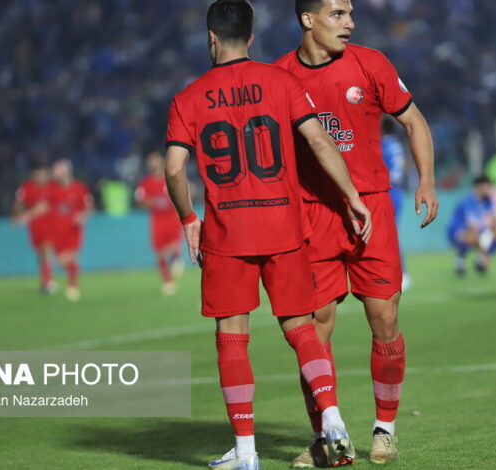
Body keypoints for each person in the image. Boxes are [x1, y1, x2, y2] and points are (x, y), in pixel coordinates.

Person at [163, 2, 373, 468]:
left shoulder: (188, 98)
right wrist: (353, 195)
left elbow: (175, 169)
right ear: (251, 39)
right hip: (283, 225)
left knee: (232, 338)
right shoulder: (283, 82)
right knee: (301, 327)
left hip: (227, 232)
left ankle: (246, 454)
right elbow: (320, 141)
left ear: (212, 38)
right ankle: (333, 419)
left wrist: (188, 218)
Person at [274, 0, 439, 465]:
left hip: (371, 209)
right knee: (314, 329)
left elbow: (414, 120)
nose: (349, 23)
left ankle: (385, 428)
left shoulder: (372, 63)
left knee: (384, 320)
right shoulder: (279, 76)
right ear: (308, 20)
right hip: (312, 216)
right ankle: (328, 436)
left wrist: (426, 179)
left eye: (350, 14)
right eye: (337, 14)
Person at [135, 152, 184, 296]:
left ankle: (177, 258)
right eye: (151, 161)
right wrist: (147, 202)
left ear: (161, 162)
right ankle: (168, 281)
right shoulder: (145, 183)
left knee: (174, 246)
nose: (154, 164)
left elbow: (182, 192)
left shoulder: (169, 177)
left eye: (156, 161)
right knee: (160, 254)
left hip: (171, 218)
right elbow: (139, 199)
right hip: (157, 220)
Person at [48, 159, 93, 302]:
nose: (55, 173)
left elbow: (89, 208)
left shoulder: (79, 188)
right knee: (61, 260)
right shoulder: (52, 189)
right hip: (57, 230)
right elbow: (46, 206)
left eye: (57, 170)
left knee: (72, 255)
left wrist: (82, 216)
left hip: (74, 229)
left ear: (66, 171)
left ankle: (72, 286)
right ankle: (60, 281)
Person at [446, 175, 496, 276]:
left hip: (477, 230)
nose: (490, 189)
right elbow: (472, 226)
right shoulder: (468, 201)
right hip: (456, 231)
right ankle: (460, 259)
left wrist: (495, 229)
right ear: (479, 187)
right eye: (487, 186)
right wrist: (485, 251)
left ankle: (481, 259)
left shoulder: (488, 201)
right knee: (473, 236)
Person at [13, 165, 55, 293]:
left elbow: (53, 205)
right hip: (34, 227)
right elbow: (18, 204)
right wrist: (19, 216)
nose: (40, 176)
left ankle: (48, 283)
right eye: (38, 174)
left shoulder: (53, 188)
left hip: (51, 225)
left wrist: (28, 215)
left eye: (43, 173)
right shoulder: (26, 188)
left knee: (46, 251)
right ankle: (47, 280)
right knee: (41, 254)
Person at [381, 117, 411, 291]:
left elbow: (393, 172)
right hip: (396, 191)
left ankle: (402, 273)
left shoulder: (384, 144)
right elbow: (402, 168)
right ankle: (397, 273)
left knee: (388, 234)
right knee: (389, 233)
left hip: (388, 191)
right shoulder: (396, 145)